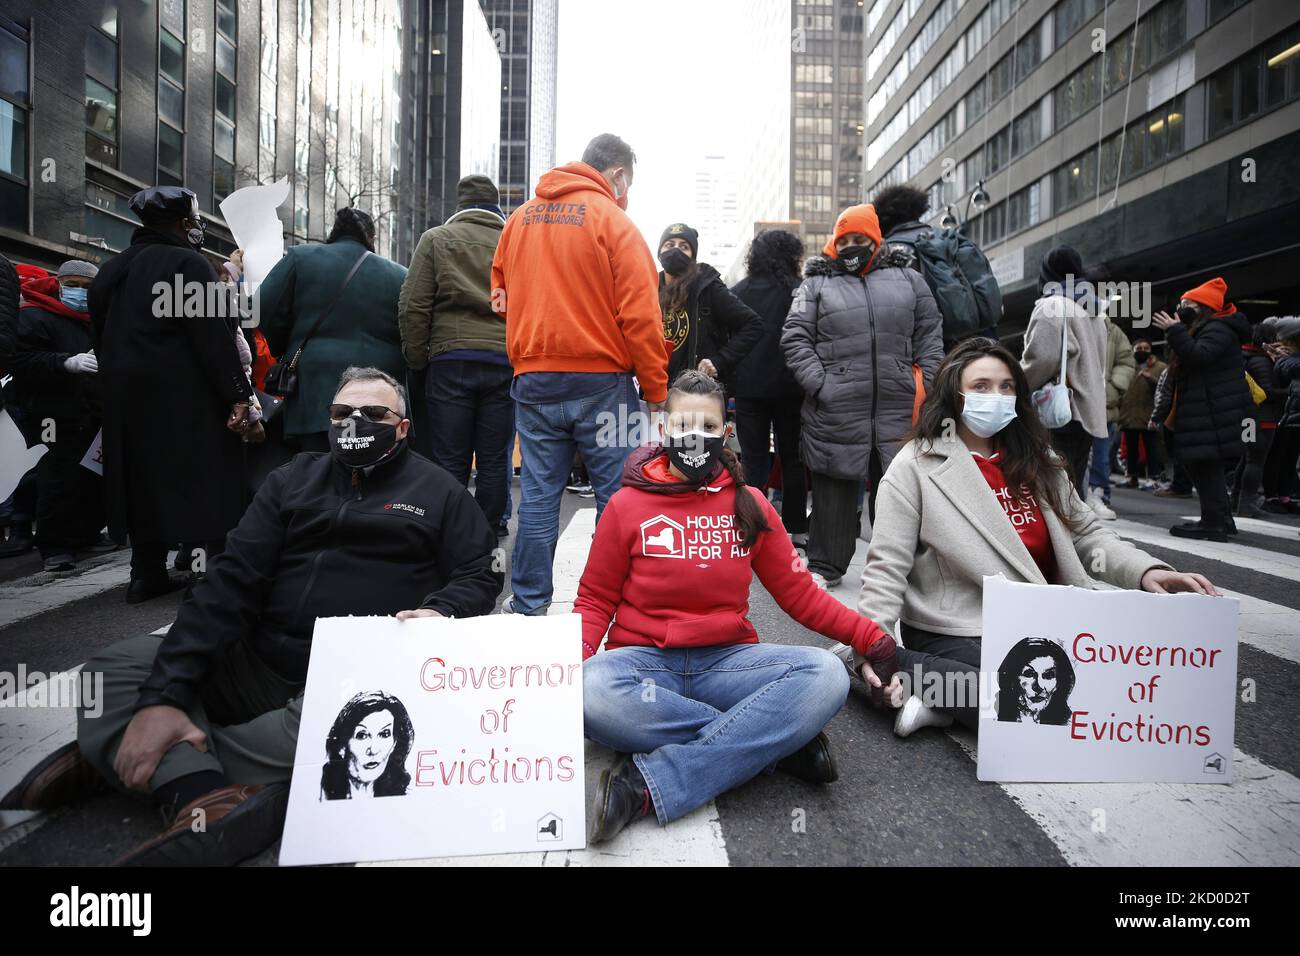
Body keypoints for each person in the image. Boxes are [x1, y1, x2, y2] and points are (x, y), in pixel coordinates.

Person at [0, 368, 502, 865]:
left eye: (372, 414)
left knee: (350, 738)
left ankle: (142, 761)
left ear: (402, 427)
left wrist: (442, 610)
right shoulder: (291, 481)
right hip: (255, 663)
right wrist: (165, 696)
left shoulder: (440, 492)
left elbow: (480, 573)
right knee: (117, 667)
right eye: (341, 412)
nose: (353, 422)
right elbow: (228, 582)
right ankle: (202, 790)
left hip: (347, 678)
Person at [577, 370, 897, 841]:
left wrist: (872, 638)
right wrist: (555, 676)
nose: (695, 436)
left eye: (708, 427)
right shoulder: (627, 506)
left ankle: (648, 786)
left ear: (725, 432)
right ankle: (775, 745)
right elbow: (595, 600)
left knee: (825, 676)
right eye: (684, 424)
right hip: (645, 668)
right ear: (664, 428)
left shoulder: (749, 504)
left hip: (728, 665)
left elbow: (801, 596)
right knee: (590, 689)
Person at [847, 338, 1219, 736]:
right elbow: (887, 569)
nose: (997, 396)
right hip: (956, 629)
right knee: (1026, 700)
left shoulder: (1042, 460)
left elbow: (1087, 534)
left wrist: (1146, 572)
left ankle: (938, 699)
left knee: (1107, 693)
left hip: (1044, 621)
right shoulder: (915, 466)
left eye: (1007, 387)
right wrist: (875, 639)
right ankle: (884, 663)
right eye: (982, 386)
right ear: (953, 396)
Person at [490, 133, 668, 615]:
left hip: (534, 380)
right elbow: (641, 316)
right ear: (617, 175)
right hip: (603, 385)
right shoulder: (615, 222)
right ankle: (616, 607)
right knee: (620, 500)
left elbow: (502, 298)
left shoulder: (519, 220)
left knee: (539, 499)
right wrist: (655, 389)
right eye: (628, 182)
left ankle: (528, 604)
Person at [88, 186, 255, 603]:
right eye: (195, 221)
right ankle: (205, 575)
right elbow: (213, 339)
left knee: (141, 481)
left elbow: (99, 337)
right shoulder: (189, 264)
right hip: (187, 398)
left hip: (126, 400)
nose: (197, 227)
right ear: (184, 223)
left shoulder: (111, 270)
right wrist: (238, 394)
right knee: (203, 479)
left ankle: (145, 573)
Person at [781, 202, 943, 588]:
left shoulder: (910, 280)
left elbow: (930, 334)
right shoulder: (814, 285)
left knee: (900, 493)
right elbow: (795, 337)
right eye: (845, 239)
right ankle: (825, 566)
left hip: (900, 408)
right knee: (833, 491)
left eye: (860, 238)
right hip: (836, 409)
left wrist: (926, 381)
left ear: (876, 238)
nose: (852, 245)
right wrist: (823, 384)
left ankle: (900, 570)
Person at [399, 175, 512, 531]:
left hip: (450, 362)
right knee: (495, 460)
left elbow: (412, 307)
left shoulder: (436, 239)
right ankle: (488, 531)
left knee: (450, 459)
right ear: (495, 207)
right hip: (503, 363)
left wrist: (418, 361)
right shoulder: (515, 244)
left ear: (460, 208)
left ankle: (448, 530)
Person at [257, 207, 407, 451]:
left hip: (314, 388)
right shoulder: (400, 275)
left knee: (315, 467)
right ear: (371, 238)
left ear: (333, 233)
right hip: (379, 392)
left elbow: (262, 308)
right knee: (370, 462)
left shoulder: (300, 258)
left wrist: (286, 346)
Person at [9, 259, 117, 571]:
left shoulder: (98, 320)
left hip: (92, 411)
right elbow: (21, 361)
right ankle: (54, 545)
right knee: (57, 478)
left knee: (91, 478)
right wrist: (64, 363)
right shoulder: (33, 315)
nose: (79, 293)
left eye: (86, 287)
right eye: (72, 285)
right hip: (51, 413)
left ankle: (85, 533)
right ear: (59, 283)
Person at [1151, 278, 1252, 541]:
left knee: (1206, 466)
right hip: (1209, 409)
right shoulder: (1208, 328)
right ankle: (1221, 519)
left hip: (1212, 410)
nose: (1182, 307)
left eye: (1189, 303)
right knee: (1206, 466)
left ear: (1205, 306)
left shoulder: (1217, 329)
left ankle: (1214, 523)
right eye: (1182, 302)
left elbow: (1199, 356)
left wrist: (1175, 331)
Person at [729, 229, 808, 543]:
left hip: (749, 389)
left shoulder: (738, 291)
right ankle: (796, 527)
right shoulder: (799, 290)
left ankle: (752, 525)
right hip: (792, 388)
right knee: (793, 459)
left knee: (753, 459)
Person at [1021, 246, 1108, 497]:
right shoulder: (1094, 312)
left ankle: (1057, 536)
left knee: (1049, 489)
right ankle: (1074, 535)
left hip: (1059, 411)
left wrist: (1014, 381)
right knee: (1072, 488)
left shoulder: (1051, 306)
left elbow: (1042, 358)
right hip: (1087, 412)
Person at [657, 221, 763, 385]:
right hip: (655, 389)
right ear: (659, 252)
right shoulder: (648, 286)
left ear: (693, 256)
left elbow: (753, 324)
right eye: (669, 244)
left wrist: (720, 360)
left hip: (697, 391)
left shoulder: (707, 286)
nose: (675, 250)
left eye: (684, 246)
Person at [1233, 320, 1286, 518]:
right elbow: (1268, 392)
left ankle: (1236, 499)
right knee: (1256, 461)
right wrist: (1290, 391)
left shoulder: (1246, 356)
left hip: (1248, 416)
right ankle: (1247, 503)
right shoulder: (1262, 361)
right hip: (1262, 417)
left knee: (1246, 459)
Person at [1086, 309, 1136, 519]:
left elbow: (1125, 361)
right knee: (1068, 454)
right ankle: (1074, 495)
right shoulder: (1068, 321)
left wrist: (1113, 387)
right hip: (1074, 403)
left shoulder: (1113, 331)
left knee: (1101, 454)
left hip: (1103, 406)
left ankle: (1099, 493)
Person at [320, 692, 416, 800]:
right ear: (342, 745)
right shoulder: (321, 792)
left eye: (384, 734)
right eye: (362, 735)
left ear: (395, 743)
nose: (374, 750)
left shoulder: (406, 795)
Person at [1117, 338, 1167, 489]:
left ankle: (1153, 478)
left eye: (1146, 348)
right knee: (1130, 450)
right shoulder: (1128, 368)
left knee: (1152, 448)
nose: (1142, 351)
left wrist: (1150, 378)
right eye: (1139, 348)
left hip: (1149, 415)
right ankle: (1131, 477)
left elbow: (1165, 388)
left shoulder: (1160, 367)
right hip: (1129, 414)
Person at [1262, 317, 1300, 515]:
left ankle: (1283, 495)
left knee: (1287, 457)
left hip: (1285, 415)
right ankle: (1271, 496)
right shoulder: (1261, 359)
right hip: (1269, 417)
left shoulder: (1287, 360)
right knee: (1269, 457)